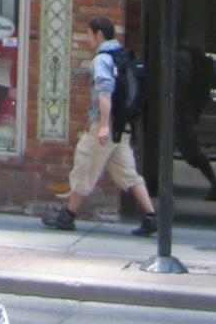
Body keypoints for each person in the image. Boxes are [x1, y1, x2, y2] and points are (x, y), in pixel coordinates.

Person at [40, 15, 158, 236]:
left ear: (99, 34)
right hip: (122, 127)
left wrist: (103, 126)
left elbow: (105, 92)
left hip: (106, 127)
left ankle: (67, 216)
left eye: (89, 35)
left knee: (85, 166)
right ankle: (151, 217)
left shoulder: (102, 60)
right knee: (128, 173)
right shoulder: (122, 56)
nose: (88, 39)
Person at [175, 45, 216, 201]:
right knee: (190, 151)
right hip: (182, 110)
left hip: (180, 111)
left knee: (192, 153)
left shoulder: (180, 56)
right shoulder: (184, 55)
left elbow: (181, 83)